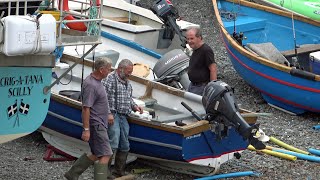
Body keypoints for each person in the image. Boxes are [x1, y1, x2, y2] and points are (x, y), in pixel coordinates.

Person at [64, 57, 113, 180]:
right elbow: (86, 108)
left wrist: (107, 113)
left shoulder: (97, 81)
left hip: (99, 123)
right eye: (108, 69)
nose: (110, 71)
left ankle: (72, 174)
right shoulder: (91, 85)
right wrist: (86, 129)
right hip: (96, 124)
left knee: (97, 153)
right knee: (106, 154)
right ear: (101, 70)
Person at [102, 59, 143, 178]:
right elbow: (102, 98)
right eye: (129, 71)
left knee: (125, 145)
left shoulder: (127, 82)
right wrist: (108, 113)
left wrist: (135, 106)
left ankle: (119, 171)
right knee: (113, 143)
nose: (130, 74)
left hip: (123, 117)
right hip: (113, 115)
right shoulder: (110, 79)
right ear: (121, 69)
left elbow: (128, 98)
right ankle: (105, 173)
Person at [186, 27, 217, 95]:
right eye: (187, 39)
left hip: (201, 87)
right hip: (192, 85)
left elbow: (213, 69)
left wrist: (211, 88)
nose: (189, 41)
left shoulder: (206, 50)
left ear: (199, 38)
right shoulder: (195, 49)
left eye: (191, 38)